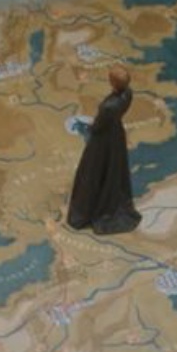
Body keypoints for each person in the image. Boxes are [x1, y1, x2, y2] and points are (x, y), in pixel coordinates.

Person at [67, 65, 142, 235]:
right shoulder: (128, 94)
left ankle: (89, 208)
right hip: (116, 135)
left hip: (102, 142)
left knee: (92, 171)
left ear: (113, 82)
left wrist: (89, 129)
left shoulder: (108, 107)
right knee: (112, 168)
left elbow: (98, 127)